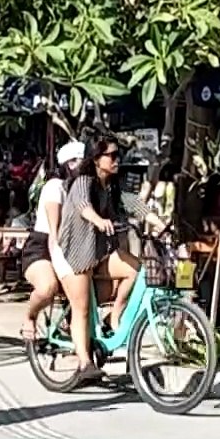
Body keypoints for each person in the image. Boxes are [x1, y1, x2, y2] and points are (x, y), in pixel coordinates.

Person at [57, 137, 164, 382]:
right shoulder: (84, 182)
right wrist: (98, 220)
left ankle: (114, 315)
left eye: (119, 156)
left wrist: (162, 224)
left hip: (98, 252)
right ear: (96, 159)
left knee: (135, 270)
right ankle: (84, 363)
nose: (117, 161)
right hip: (74, 253)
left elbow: (135, 204)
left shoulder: (112, 187)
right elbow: (83, 206)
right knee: (81, 308)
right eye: (112, 156)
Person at [19, 141, 84, 339]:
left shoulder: (83, 189)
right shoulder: (55, 187)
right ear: (70, 164)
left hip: (73, 245)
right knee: (48, 287)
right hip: (43, 246)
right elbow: (54, 233)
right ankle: (30, 316)